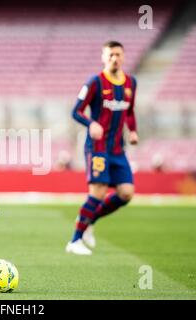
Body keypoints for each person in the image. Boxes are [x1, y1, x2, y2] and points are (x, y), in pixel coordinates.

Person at [67, 41, 139, 255]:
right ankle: (74, 241)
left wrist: (133, 130)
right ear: (103, 57)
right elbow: (76, 111)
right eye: (110, 55)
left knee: (126, 193)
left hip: (118, 149)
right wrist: (92, 123)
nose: (114, 58)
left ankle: (89, 221)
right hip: (97, 148)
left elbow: (130, 111)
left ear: (123, 56)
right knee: (97, 192)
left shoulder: (131, 83)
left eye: (118, 54)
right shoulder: (95, 82)